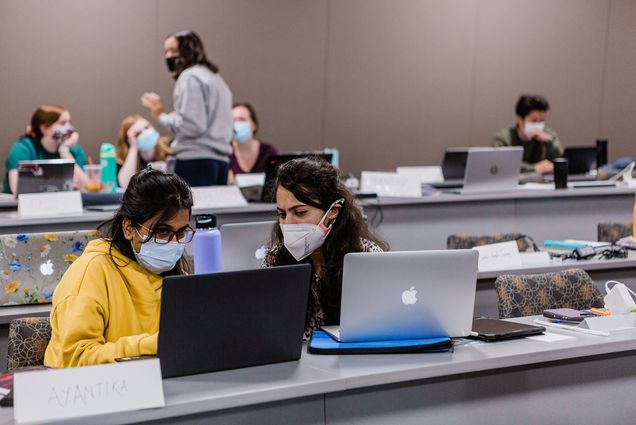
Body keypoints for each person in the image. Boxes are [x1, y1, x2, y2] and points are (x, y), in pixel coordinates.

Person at [44, 168, 195, 367]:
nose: (174, 243)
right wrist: (151, 345)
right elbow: (74, 357)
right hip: (91, 392)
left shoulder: (174, 273)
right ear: (129, 228)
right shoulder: (92, 271)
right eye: (162, 231)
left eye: (181, 233)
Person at [263, 157, 388, 339]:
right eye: (282, 214)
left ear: (333, 212)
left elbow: (381, 325)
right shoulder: (275, 257)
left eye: (300, 212)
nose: (288, 224)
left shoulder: (367, 256)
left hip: (350, 360)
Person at [141, 30, 233, 187]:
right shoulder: (217, 79)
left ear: (189, 50)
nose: (168, 56)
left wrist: (161, 115)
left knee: (192, 210)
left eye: (174, 51)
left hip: (196, 161)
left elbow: (193, 126)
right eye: (166, 52)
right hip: (221, 161)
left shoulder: (190, 77)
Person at [4, 104, 88, 194]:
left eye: (69, 122)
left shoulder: (74, 150)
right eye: (63, 123)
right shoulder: (24, 148)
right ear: (44, 128)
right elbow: (17, 188)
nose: (70, 128)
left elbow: (86, 187)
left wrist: (64, 151)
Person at [492, 94, 563, 174]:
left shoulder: (548, 135)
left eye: (541, 121)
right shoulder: (504, 138)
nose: (538, 125)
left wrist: (550, 142)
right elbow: (499, 164)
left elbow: (561, 162)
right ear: (519, 119)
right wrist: (534, 168)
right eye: (534, 121)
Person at [116, 114, 173, 189]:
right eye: (138, 133)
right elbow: (125, 185)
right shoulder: (123, 162)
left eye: (147, 128)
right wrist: (133, 147)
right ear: (128, 140)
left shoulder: (171, 147)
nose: (145, 133)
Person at [228, 103, 278, 184]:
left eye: (242, 119)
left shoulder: (269, 152)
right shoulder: (225, 153)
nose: (236, 124)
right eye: (233, 120)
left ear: (254, 125)